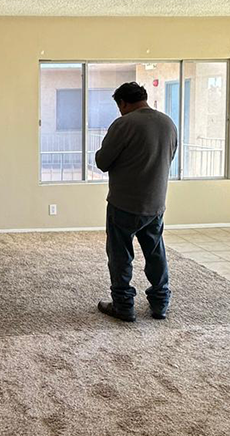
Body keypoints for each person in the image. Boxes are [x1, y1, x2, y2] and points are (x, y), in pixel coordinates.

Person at [94, 81, 178, 322]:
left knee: (120, 255)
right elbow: (169, 156)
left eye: (119, 106)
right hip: (155, 203)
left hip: (124, 203)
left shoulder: (123, 124)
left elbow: (102, 162)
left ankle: (123, 305)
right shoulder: (168, 123)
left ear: (123, 103)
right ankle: (160, 304)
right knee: (155, 252)